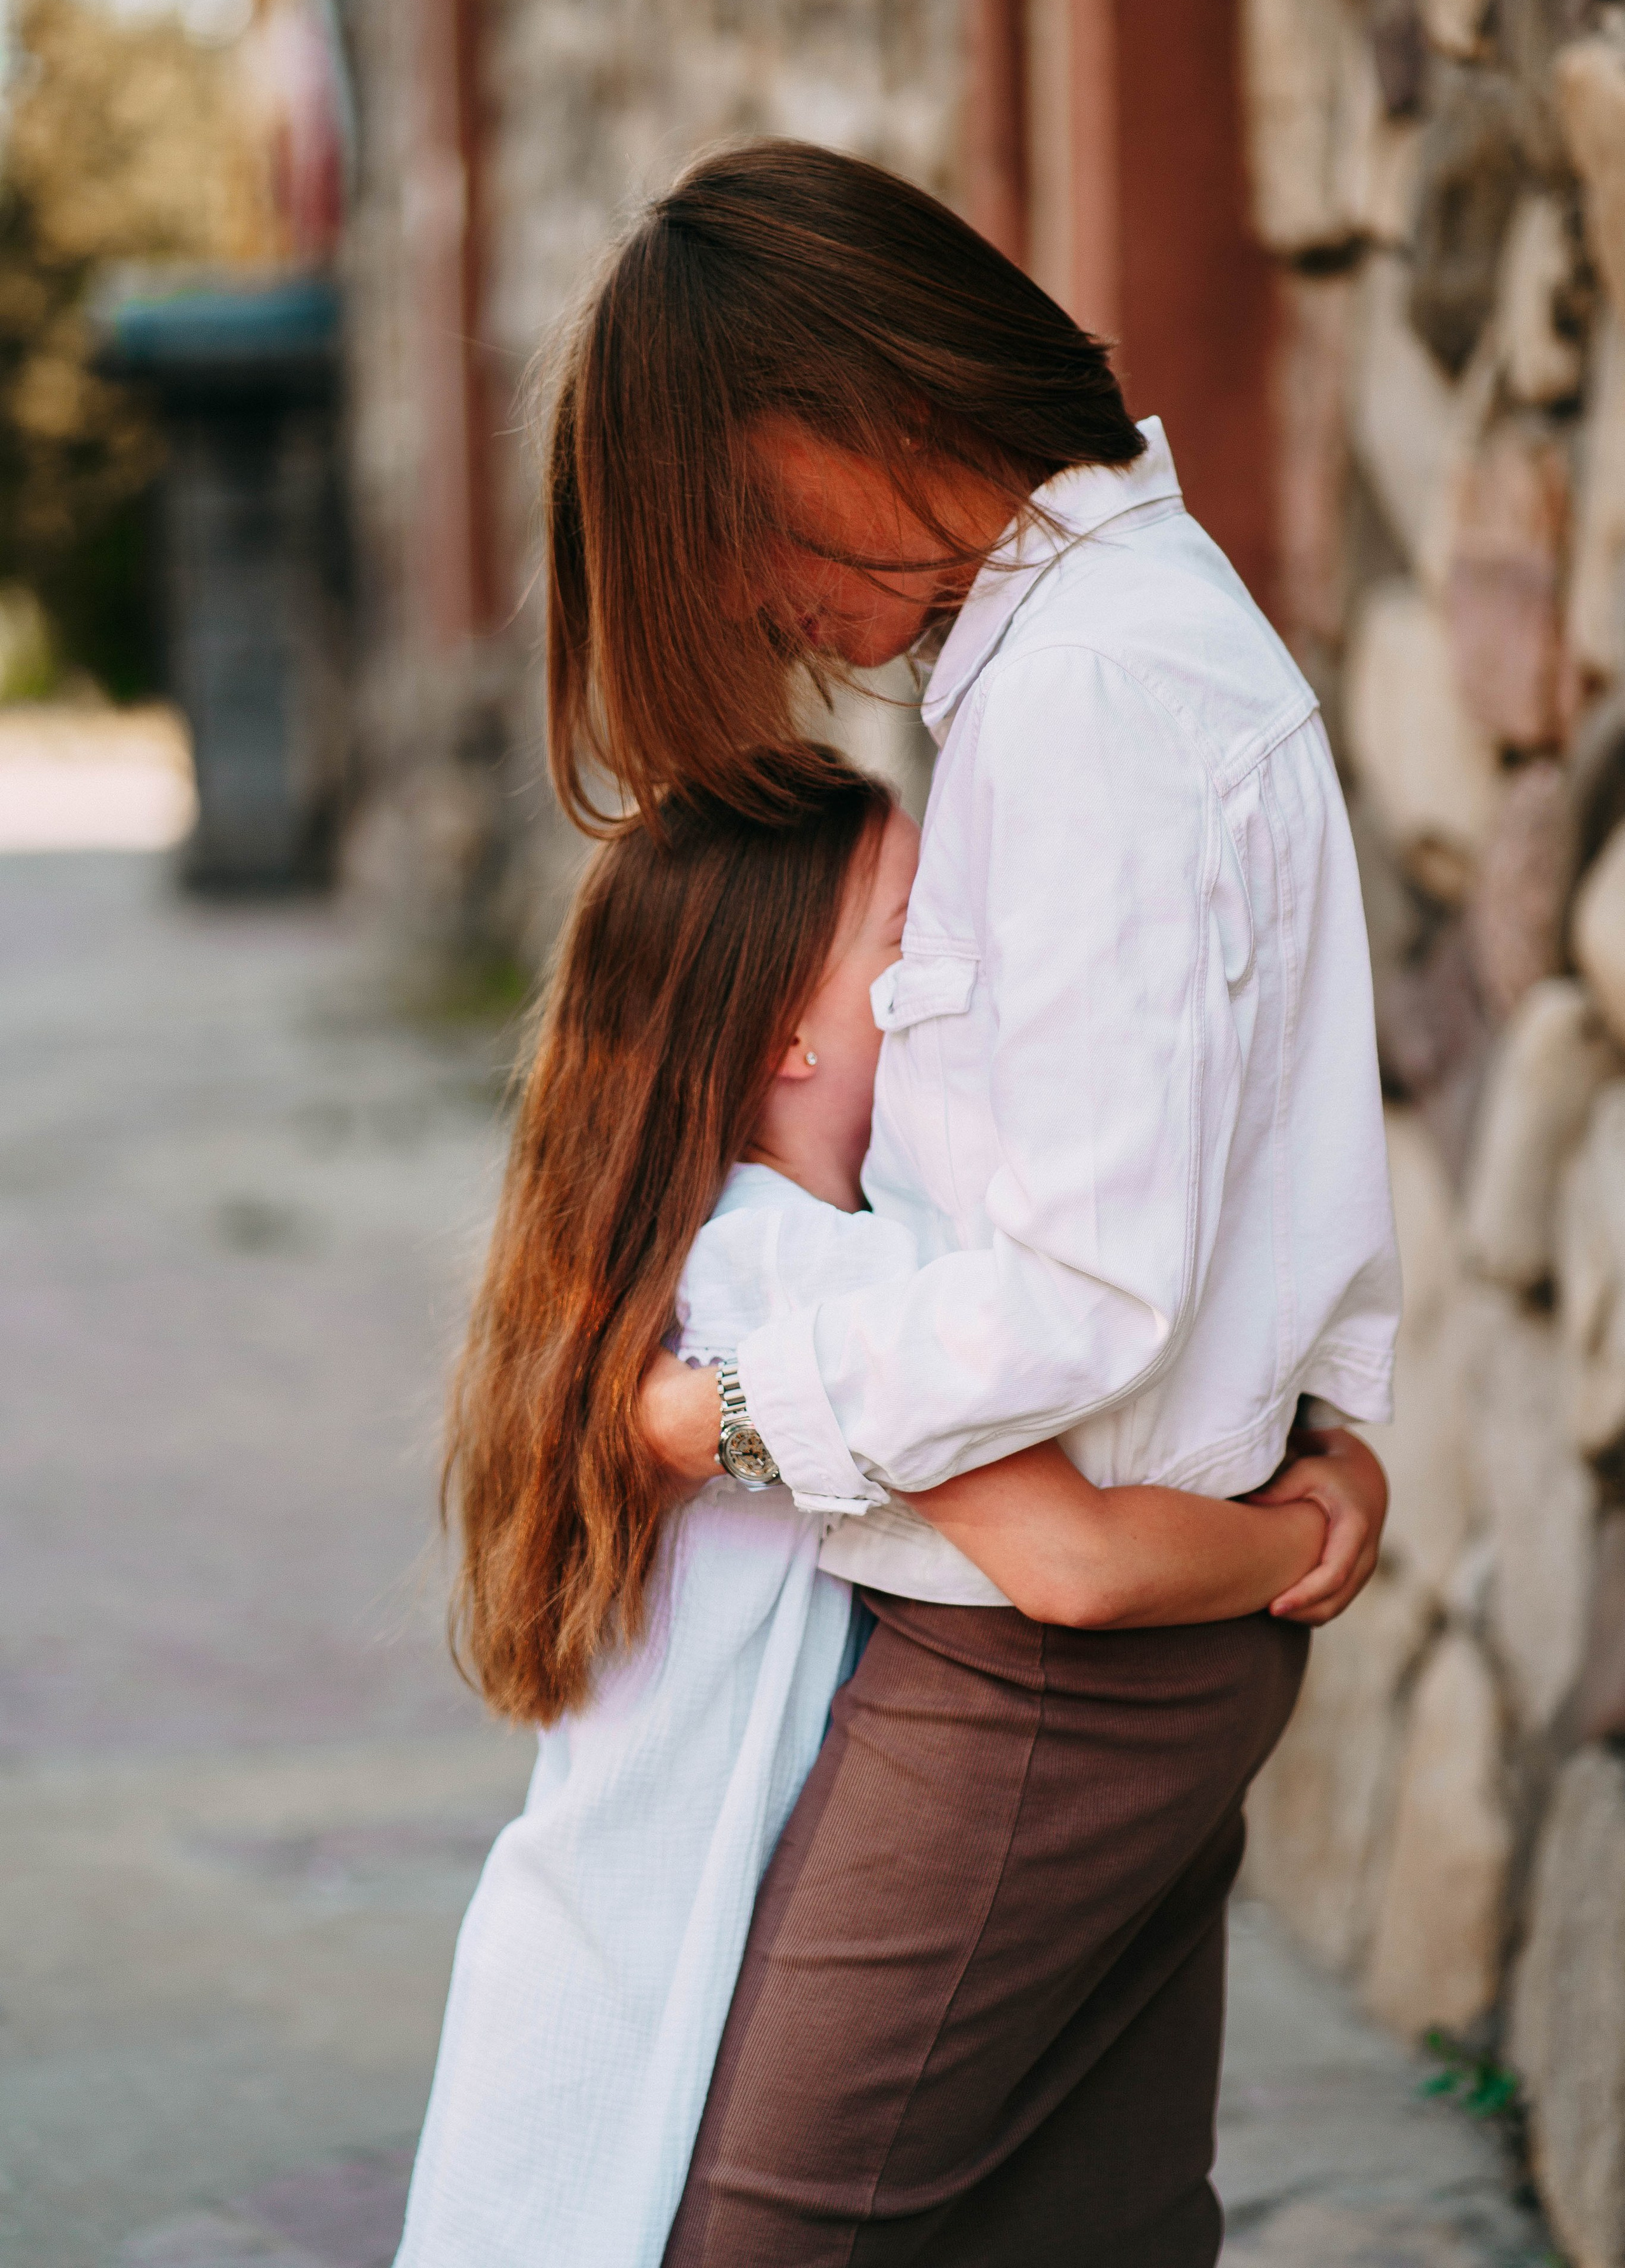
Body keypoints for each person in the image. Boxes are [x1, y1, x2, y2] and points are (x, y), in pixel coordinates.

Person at [541, 140, 1400, 2265]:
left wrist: (720, 1406)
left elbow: (1079, 1284)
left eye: (746, 541)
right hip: (1109, 1620)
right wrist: (1326, 1436)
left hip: (1040, 1669)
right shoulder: (1110, 644)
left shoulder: (1098, 681)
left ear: (840, 414)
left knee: (752, 2226)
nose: (774, 617)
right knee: (1083, 2232)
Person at [394, 751, 1363, 2268]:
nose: (951, 977)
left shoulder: (744, 1243)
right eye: (913, 937)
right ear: (788, 1027)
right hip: (647, 1971)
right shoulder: (803, 1277)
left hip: (575, 1946)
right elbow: (1075, 1561)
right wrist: (1311, 1533)